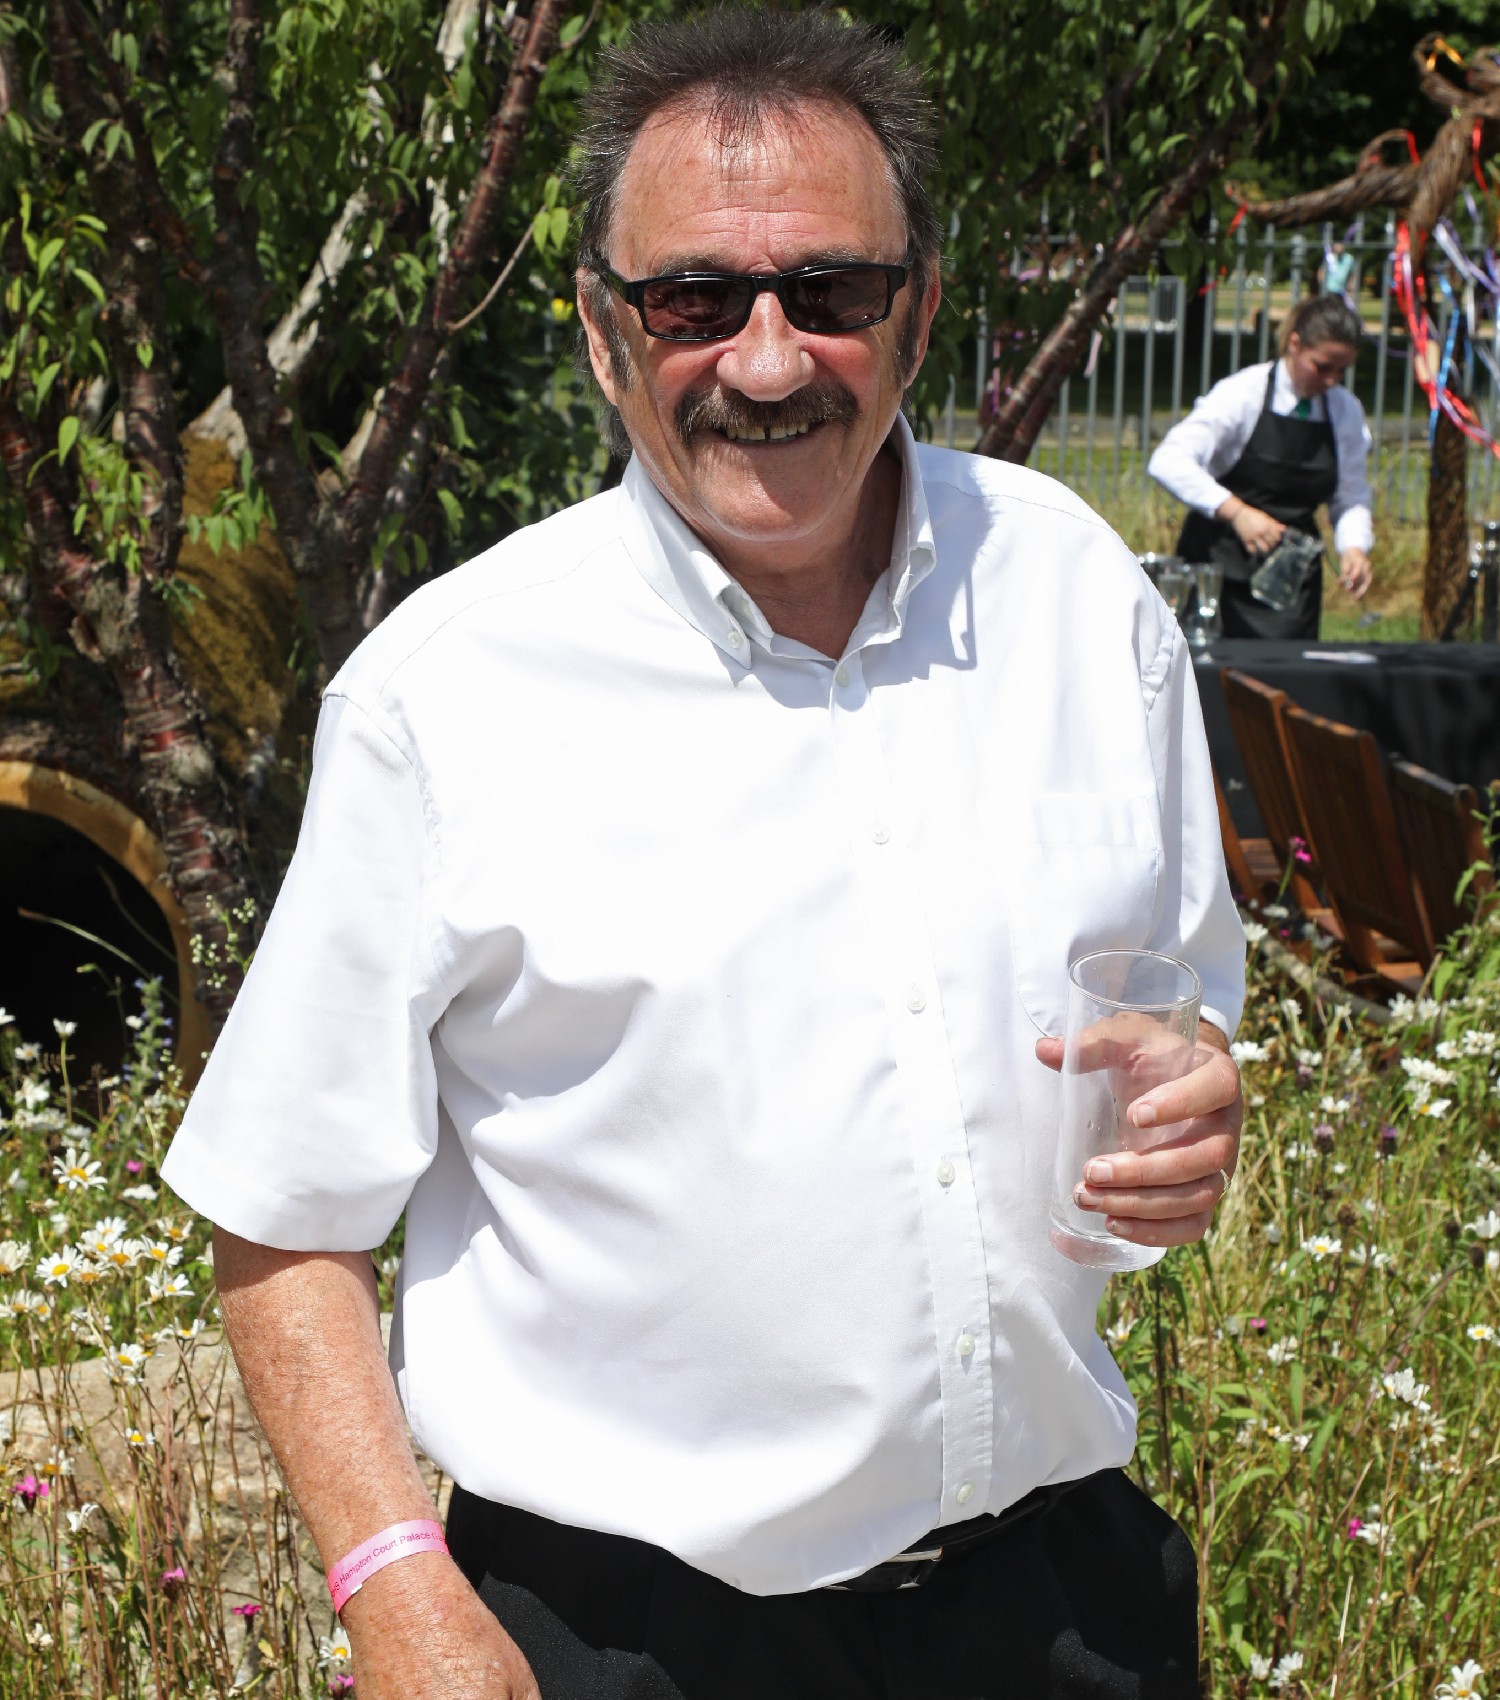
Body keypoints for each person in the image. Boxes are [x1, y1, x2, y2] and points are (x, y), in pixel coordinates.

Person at [161, 10, 1246, 1699]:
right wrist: (393, 1586)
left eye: (830, 293)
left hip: (1057, 1606)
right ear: (605, 332)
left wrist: (1192, 1102)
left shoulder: (1077, 600)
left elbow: (1185, 1018)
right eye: (694, 301)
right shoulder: (449, 697)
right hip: (628, 1642)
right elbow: (284, 1215)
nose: (765, 360)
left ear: (921, 308)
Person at [1148, 295, 1374, 640]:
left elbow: (1351, 494)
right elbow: (1168, 460)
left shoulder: (1345, 411)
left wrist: (1354, 546)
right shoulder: (1243, 393)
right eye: (1322, 366)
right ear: (1294, 343)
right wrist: (1237, 512)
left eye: (1342, 371)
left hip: (1289, 584)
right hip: (1215, 574)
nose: (1331, 380)